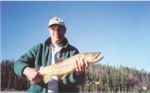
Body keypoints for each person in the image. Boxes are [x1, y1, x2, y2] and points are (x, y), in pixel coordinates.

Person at [14, 17, 89, 93]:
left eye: (59, 29)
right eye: (53, 28)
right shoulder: (38, 48)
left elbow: (76, 82)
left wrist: (78, 74)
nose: (56, 31)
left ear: (65, 31)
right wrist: (26, 70)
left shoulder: (73, 52)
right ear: (49, 30)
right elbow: (18, 64)